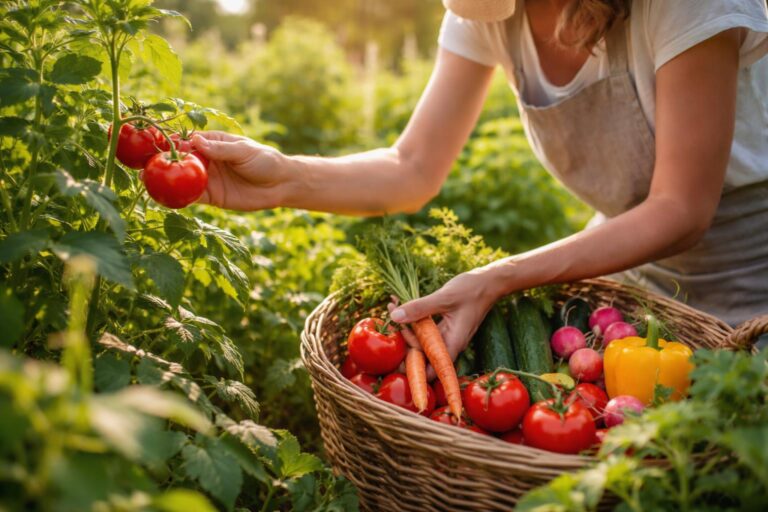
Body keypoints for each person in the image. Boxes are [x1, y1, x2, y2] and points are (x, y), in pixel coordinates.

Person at [192, 0, 768, 364]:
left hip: (752, 272)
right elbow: (411, 167)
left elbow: (681, 207)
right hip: (629, 269)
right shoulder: (490, 12)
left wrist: (501, 276)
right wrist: (283, 178)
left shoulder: (687, 6)